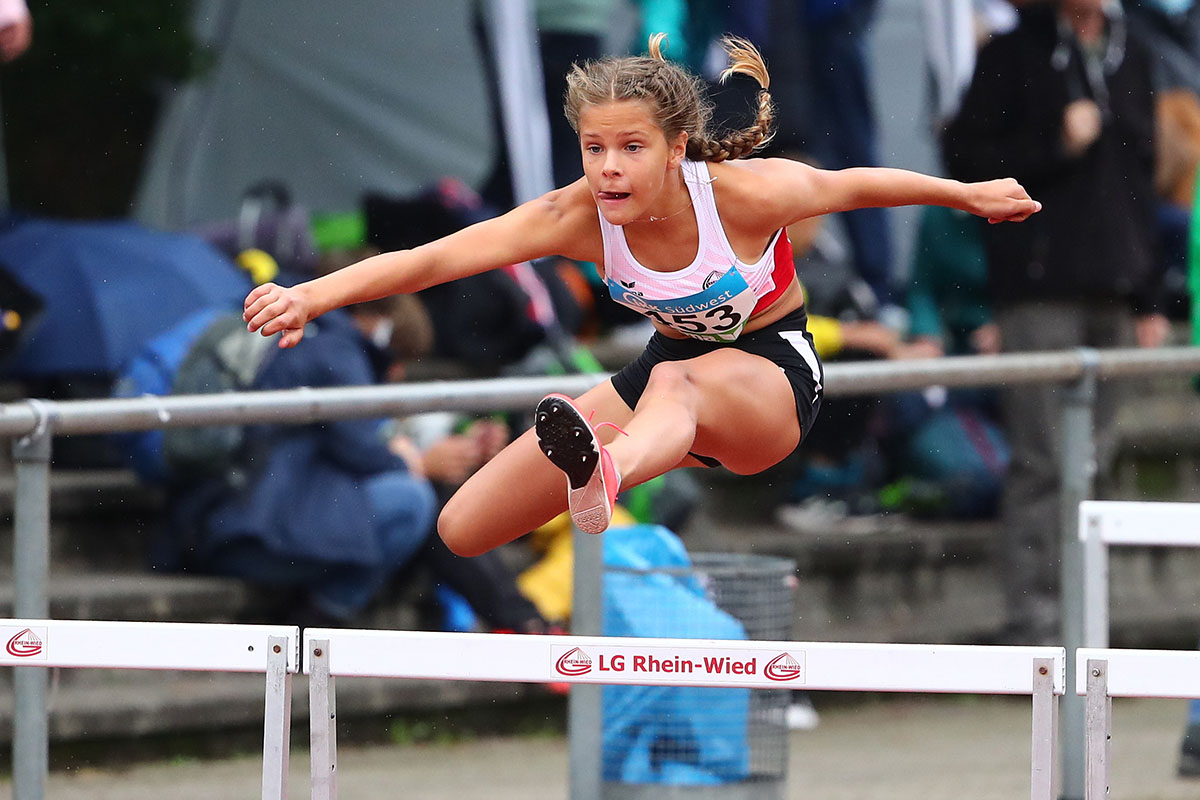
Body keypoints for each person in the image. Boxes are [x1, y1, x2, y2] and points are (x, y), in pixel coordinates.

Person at [243, 34, 1040, 558]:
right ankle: (608, 467)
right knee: (462, 527)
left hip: (771, 378)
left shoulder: (741, 196)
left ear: (677, 148)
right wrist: (311, 294)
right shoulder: (575, 217)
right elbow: (432, 259)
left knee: (674, 381)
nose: (609, 169)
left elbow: (855, 184)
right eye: (594, 148)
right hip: (668, 380)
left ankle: (609, 474)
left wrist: (965, 194)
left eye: (631, 148)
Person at [942, 0, 1169, 644]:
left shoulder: (1136, 50)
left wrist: (1150, 295)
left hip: (1116, 291)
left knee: (1095, 463)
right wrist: (1052, 145)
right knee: (1044, 463)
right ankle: (1035, 625)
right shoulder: (1012, 54)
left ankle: (1085, 626)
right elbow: (965, 161)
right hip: (1039, 291)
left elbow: (1143, 179)